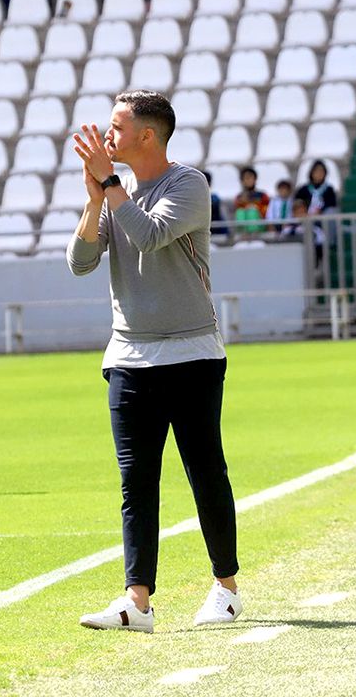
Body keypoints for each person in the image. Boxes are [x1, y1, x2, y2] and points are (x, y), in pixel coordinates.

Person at [69, 90, 242, 633]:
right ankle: (136, 601)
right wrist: (95, 198)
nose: (107, 137)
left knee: (204, 471)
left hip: (190, 350)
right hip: (128, 355)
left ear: (148, 135)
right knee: (135, 481)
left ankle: (226, 588)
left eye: (117, 128)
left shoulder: (188, 184)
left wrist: (112, 187)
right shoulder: (118, 193)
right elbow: (79, 263)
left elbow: (149, 237)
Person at [232, 166, 269, 233]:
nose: (248, 180)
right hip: (245, 227)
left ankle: (254, 234)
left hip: (260, 225)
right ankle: (242, 234)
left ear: (255, 179)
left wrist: (255, 207)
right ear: (242, 181)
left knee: (252, 212)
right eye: (246, 178)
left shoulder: (262, 196)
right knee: (240, 212)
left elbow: (266, 213)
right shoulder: (239, 197)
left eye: (250, 178)